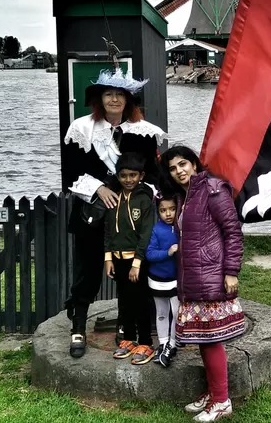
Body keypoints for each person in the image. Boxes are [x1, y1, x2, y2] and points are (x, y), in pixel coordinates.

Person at [62, 67, 166, 359]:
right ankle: (78, 327)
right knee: (87, 273)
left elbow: (153, 174)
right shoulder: (81, 129)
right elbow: (70, 173)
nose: (114, 99)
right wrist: (99, 190)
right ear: (99, 99)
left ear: (128, 101)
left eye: (120, 95)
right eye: (108, 94)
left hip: (129, 220)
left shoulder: (143, 132)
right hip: (94, 214)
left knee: (127, 275)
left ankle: (126, 327)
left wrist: (134, 194)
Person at [162, 145, 244, 423]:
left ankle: (222, 400)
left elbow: (232, 231)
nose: (179, 171)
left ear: (194, 164)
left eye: (183, 164)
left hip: (210, 274)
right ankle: (214, 393)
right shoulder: (186, 196)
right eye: (173, 168)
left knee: (211, 341)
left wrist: (231, 271)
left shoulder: (213, 189)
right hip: (194, 276)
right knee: (203, 339)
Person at [103, 151, 155, 364]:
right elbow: (108, 230)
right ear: (118, 176)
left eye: (133, 175)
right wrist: (108, 258)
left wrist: (137, 263)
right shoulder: (114, 198)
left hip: (138, 261)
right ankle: (129, 339)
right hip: (118, 259)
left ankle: (145, 342)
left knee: (141, 301)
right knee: (124, 302)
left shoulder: (144, 199)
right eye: (123, 175)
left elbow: (146, 234)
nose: (128, 180)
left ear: (141, 175)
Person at [146, 194, 180, 368]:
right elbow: (150, 254)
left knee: (176, 312)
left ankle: (172, 344)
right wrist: (167, 252)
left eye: (172, 209)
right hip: (157, 279)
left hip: (176, 280)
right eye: (163, 210)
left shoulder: (182, 227)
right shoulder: (156, 229)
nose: (168, 214)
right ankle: (163, 342)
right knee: (161, 312)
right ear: (158, 212)